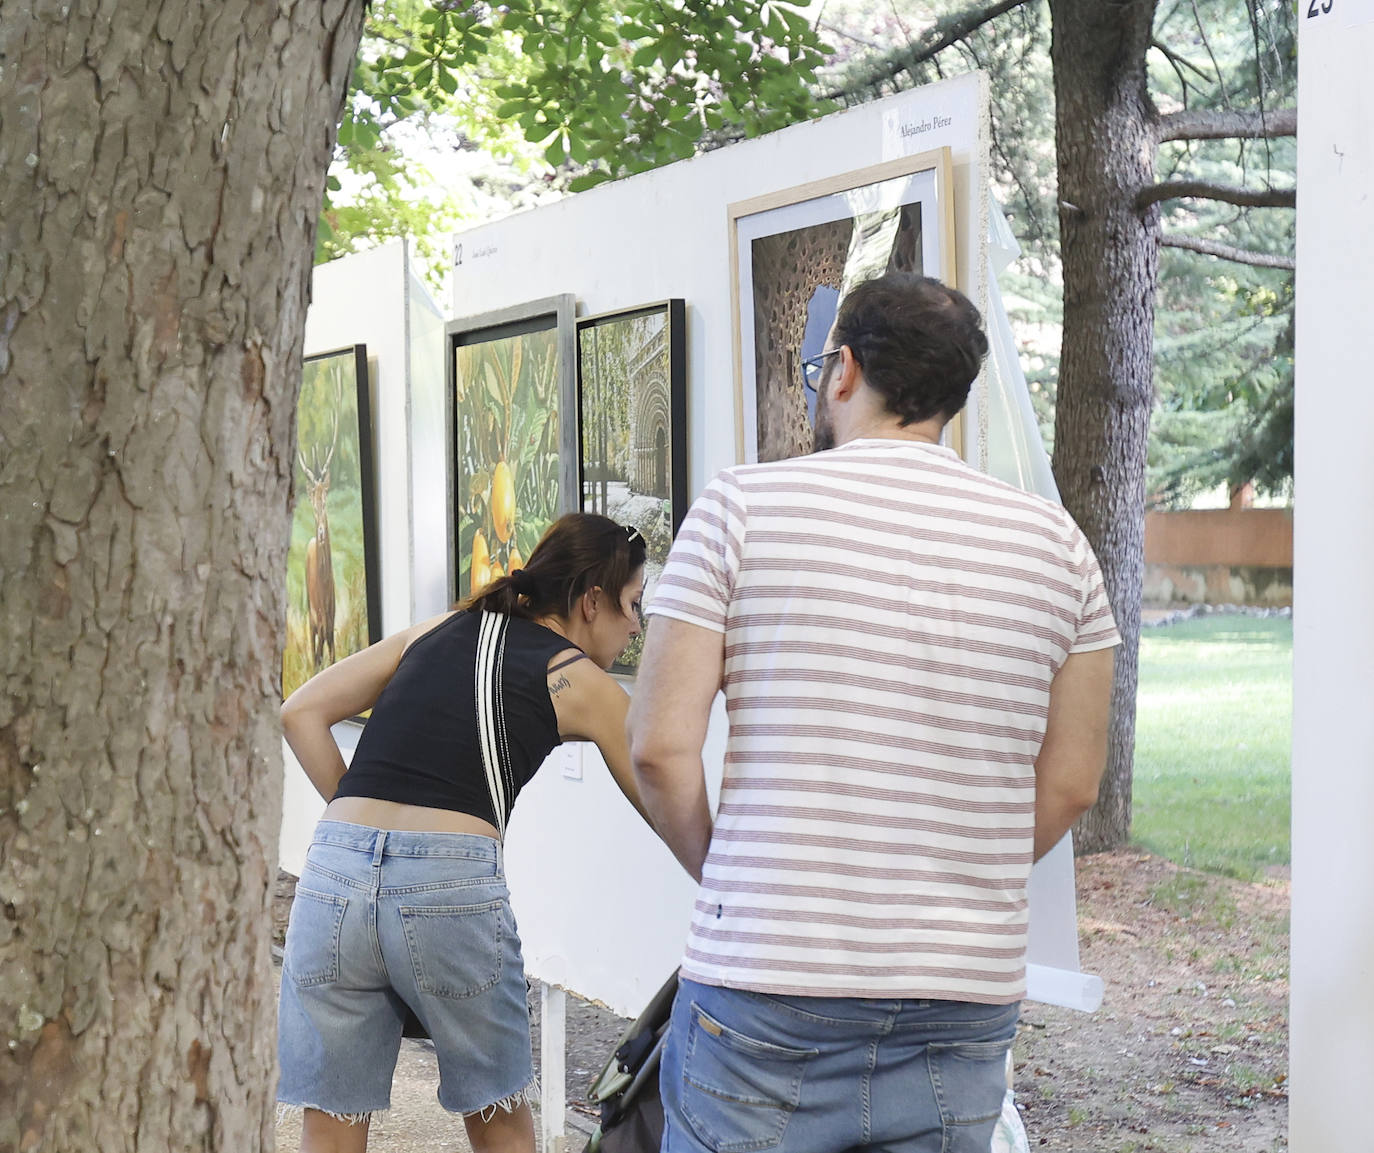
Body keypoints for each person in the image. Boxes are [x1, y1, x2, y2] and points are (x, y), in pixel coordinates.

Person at [627, 272, 1120, 1153]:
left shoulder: (742, 507)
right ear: (951, 396)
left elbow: (661, 747)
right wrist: (961, 876)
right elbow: (1076, 781)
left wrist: (736, 870)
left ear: (843, 370)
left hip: (766, 991)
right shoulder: (1059, 548)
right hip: (961, 996)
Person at [277, 513, 649, 1153]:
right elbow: (662, 783)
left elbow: (301, 712)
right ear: (592, 600)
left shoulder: (435, 631)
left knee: (330, 1120)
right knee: (498, 1116)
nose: (638, 624)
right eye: (635, 604)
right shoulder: (577, 677)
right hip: (447, 885)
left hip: (333, 871)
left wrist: (362, 834)